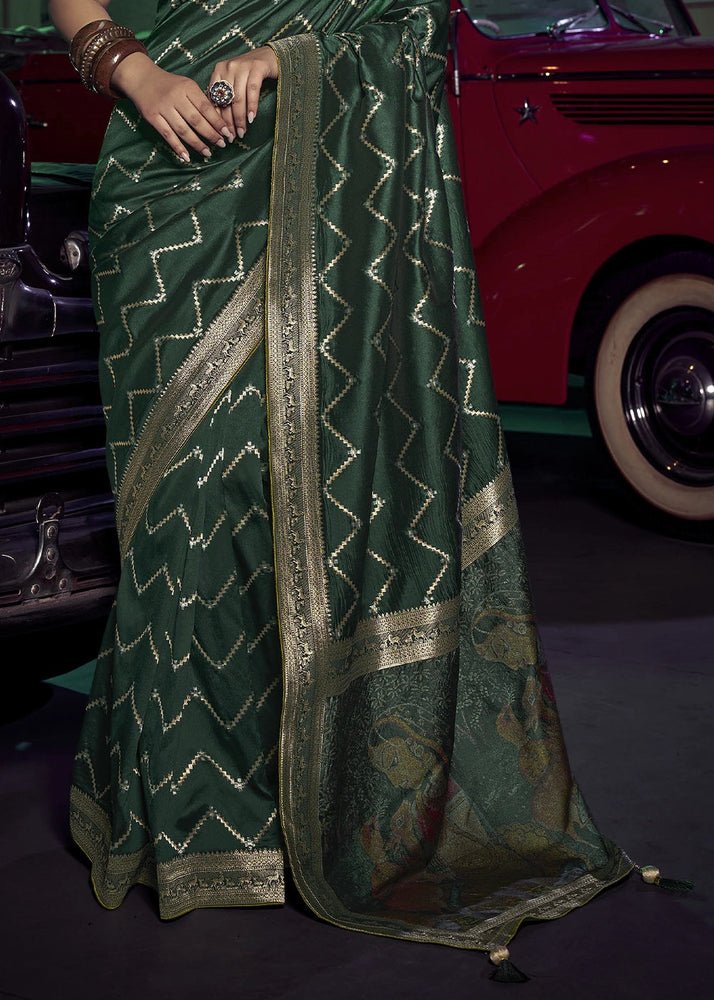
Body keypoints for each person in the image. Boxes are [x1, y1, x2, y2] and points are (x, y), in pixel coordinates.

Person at [48, 0, 689, 982]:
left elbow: (414, 22)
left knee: (284, 499)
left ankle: (303, 803)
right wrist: (137, 75)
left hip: (315, 172)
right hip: (169, 177)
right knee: (190, 501)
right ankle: (189, 808)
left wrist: (291, 57)